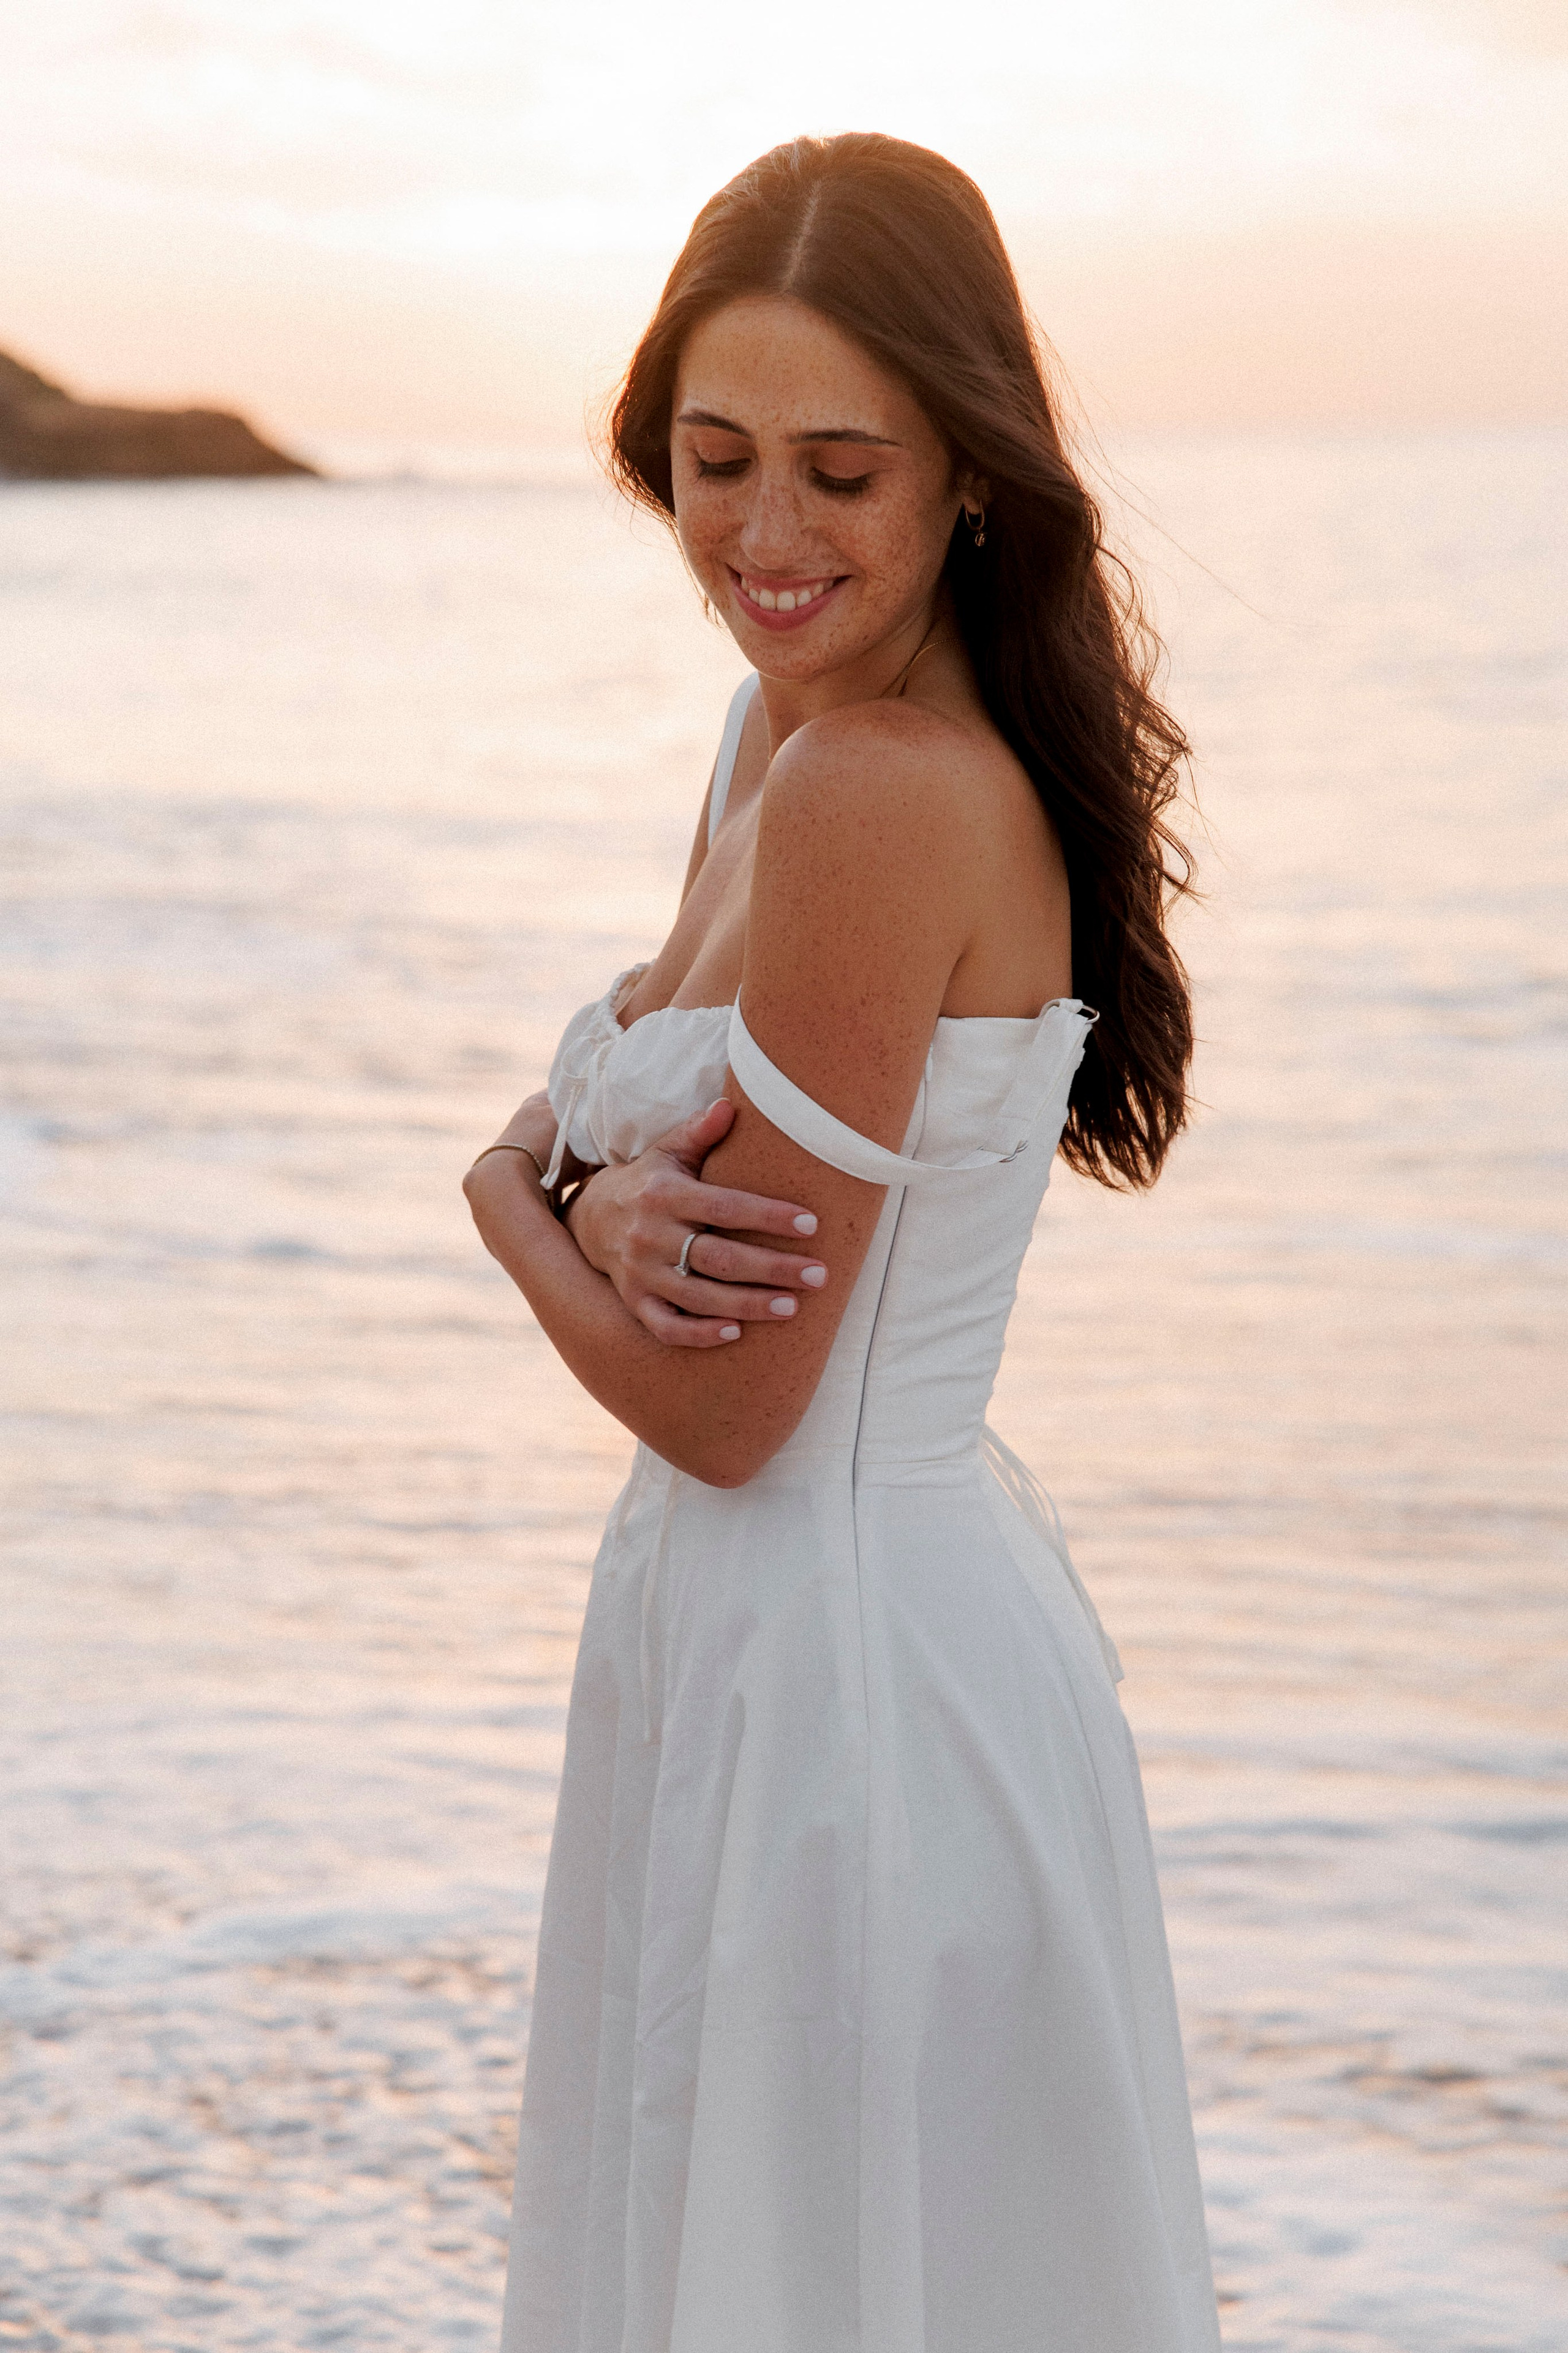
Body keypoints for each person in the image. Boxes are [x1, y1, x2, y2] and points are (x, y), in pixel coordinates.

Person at [464, 132, 1219, 2353]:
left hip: (847, 1674)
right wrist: (583, 1185)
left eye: (838, 473)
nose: (763, 538)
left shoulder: (887, 791)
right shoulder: (772, 738)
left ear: (970, 476)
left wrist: (511, 1205)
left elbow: (726, 1401)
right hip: (751, 1641)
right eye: (712, 461)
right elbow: (634, 1073)